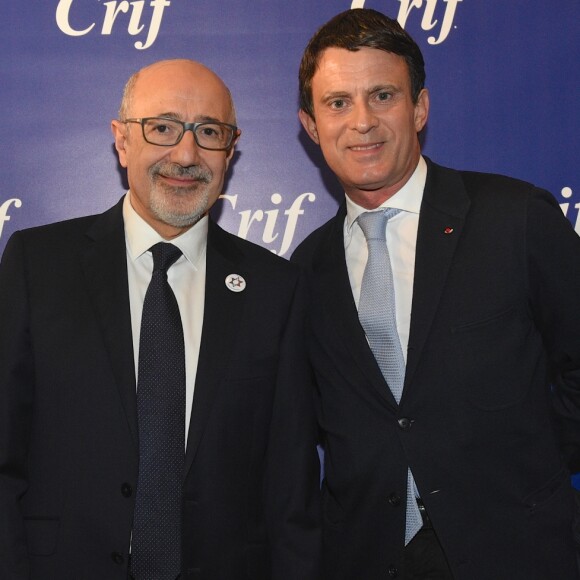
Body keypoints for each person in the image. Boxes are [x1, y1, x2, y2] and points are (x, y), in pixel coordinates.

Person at [0, 59, 321, 580]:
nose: (186, 154)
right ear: (122, 141)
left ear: (230, 151)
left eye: (209, 132)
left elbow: (291, 495)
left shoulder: (275, 290)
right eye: (163, 128)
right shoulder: (37, 265)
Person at [292, 8, 580, 580]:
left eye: (382, 95)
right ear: (310, 124)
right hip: (366, 560)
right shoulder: (305, 270)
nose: (362, 122)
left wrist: (528, 472)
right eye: (338, 103)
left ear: (419, 108)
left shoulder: (514, 218)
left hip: (518, 550)